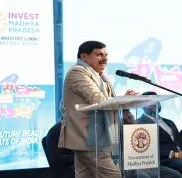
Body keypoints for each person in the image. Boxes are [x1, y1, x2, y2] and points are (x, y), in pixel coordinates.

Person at [58, 40, 139, 178]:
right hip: (87, 138)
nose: (105, 58)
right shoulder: (77, 72)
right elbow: (99, 100)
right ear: (84, 56)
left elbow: (104, 101)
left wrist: (123, 98)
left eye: (106, 54)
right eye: (99, 54)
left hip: (96, 138)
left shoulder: (99, 75)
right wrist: (125, 100)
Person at [123, 109, 182, 178]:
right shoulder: (122, 132)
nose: (130, 115)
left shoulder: (140, 128)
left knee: (176, 175)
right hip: (133, 167)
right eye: (127, 117)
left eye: (129, 113)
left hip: (149, 163)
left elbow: (150, 150)